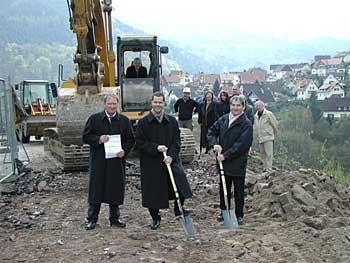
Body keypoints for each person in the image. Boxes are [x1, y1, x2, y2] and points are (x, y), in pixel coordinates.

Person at [136, 92, 193, 230]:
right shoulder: (143, 123)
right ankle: (155, 218)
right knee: (153, 192)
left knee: (181, 185)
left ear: (164, 103)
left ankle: (178, 209)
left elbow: (176, 141)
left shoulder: (172, 121)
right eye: (155, 102)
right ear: (151, 103)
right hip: (152, 163)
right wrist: (156, 148)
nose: (158, 105)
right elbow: (139, 143)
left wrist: (171, 156)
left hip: (171, 160)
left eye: (160, 102)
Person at [82, 94, 135, 230]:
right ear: (104, 105)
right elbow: (86, 136)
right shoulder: (94, 119)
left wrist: (124, 150)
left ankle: (115, 219)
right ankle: (92, 219)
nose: (112, 106)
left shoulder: (124, 120)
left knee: (115, 189)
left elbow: (130, 139)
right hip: (99, 160)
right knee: (96, 190)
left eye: (114, 104)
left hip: (116, 161)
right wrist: (99, 139)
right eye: (109, 104)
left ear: (117, 105)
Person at [207, 95, 253, 225]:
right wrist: (214, 143)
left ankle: (239, 214)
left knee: (238, 190)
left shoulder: (246, 124)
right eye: (233, 105)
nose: (235, 108)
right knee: (224, 187)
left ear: (243, 107)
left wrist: (225, 155)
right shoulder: (224, 119)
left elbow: (241, 145)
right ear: (230, 106)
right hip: (223, 162)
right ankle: (224, 210)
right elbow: (211, 131)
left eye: (238, 105)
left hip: (237, 162)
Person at [254, 100, 278, 172]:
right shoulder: (255, 116)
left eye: (259, 106)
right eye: (257, 106)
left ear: (263, 106)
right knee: (262, 154)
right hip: (260, 137)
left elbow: (275, 124)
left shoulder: (269, 114)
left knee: (269, 154)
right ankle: (264, 168)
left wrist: (274, 133)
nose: (258, 107)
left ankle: (269, 169)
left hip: (268, 137)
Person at [198, 89, 218, 154]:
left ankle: (210, 149)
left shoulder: (215, 104)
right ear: (205, 96)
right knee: (204, 136)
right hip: (204, 123)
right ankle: (205, 149)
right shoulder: (202, 104)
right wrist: (200, 121)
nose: (208, 97)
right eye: (207, 95)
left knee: (210, 136)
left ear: (212, 96)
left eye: (210, 95)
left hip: (211, 123)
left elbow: (216, 114)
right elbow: (200, 114)